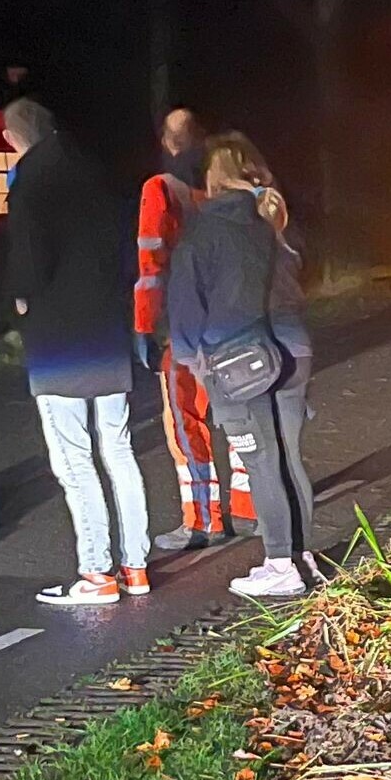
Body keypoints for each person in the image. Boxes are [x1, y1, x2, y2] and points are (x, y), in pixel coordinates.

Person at [1, 97, 153, 605]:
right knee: (119, 449)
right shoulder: (97, 171)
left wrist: (21, 301)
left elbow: (28, 261)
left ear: (11, 138)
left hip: (58, 342)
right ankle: (136, 566)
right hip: (106, 332)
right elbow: (124, 249)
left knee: (74, 460)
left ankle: (96, 573)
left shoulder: (29, 180)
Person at [167, 131, 316, 597]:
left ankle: (279, 565)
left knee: (260, 461)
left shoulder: (206, 227)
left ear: (213, 178)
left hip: (239, 359)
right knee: (289, 458)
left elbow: (186, 302)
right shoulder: (274, 213)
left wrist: (192, 357)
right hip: (293, 348)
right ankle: (301, 555)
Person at [136, 107, 255, 550]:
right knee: (238, 416)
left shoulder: (160, 190)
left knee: (185, 424)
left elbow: (151, 266)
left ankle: (203, 520)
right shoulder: (225, 192)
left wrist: (145, 325)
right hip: (231, 326)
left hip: (180, 330)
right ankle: (249, 507)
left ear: (167, 144)